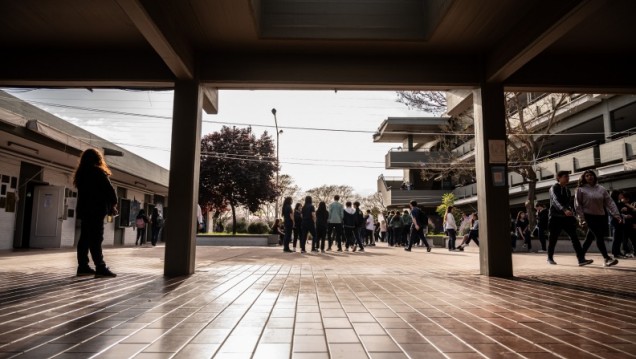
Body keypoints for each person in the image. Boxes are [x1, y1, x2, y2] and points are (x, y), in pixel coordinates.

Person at [73, 148, 118, 278]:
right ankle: (100, 267)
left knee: (84, 238)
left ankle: (83, 266)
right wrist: (112, 204)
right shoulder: (98, 172)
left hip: (84, 210)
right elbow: (110, 192)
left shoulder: (80, 174)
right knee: (96, 239)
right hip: (96, 210)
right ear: (98, 159)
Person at [576, 170, 621, 267]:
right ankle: (606, 258)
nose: (589, 177)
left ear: (594, 176)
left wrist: (616, 214)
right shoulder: (581, 189)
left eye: (591, 175)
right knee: (599, 236)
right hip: (588, 216)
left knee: (589, 238)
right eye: (587, 176)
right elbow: (578, 205)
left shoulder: (601, 189)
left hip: (601, 216)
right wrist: (581, 218)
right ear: (584, 178)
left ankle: (580, 258)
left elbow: (610, 202)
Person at [546, 171, 592, 266]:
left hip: (566, 218)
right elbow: (555, 200)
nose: (567, 178)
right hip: (555, 217)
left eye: (568, 177)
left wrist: (571, 212)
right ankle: (550, 258)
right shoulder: (553, 188)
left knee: (574, 237)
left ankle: (581, 259)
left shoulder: (567, 190)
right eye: (565, 176)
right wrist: (564, 210)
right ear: (559, 177)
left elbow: (568, 204)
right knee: (553, 238)